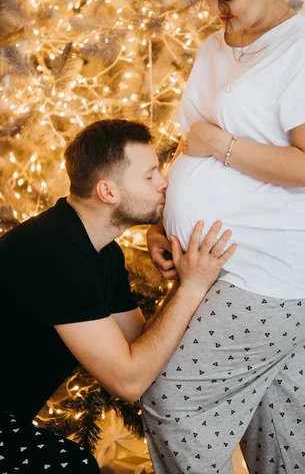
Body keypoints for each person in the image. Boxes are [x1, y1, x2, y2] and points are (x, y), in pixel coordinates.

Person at [144, 0, 305, 474]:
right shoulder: (216, 47)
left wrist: (221, 145)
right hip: (223, 267)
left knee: (172, 402)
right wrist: (167, 226)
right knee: (285, 429)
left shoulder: (303, 53)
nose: (216, 10)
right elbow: (191, 147)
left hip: (274, 272)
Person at [0, 118, 236, 474]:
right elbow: (129, 381)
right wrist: (191, 287)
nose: (163, 183)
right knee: (72, 467)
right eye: (149, 175)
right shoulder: (54, 251)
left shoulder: (102, 253)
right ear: (107, 192)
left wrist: (183, 281)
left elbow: (142, 352)